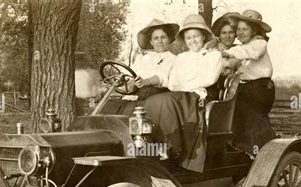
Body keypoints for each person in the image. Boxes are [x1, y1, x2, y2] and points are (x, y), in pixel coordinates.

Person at [141, 14, 223, 172]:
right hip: (181, 94)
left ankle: (173, 149)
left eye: (196, 36)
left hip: (200, 95)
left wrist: (185, 83)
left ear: (204, 36)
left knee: (166, 101)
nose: (192, 41)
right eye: (188, 38)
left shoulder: (214, 55)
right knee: (154, 101)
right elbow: (172, 83)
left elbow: (209, 78)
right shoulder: (181, 57)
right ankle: (155, 147)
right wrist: (187, 83)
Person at [222, 9, 276, 155]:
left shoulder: (259, 43)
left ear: (254, 31)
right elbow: (230, 63)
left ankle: (263, 152)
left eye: (244, 29)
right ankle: (242, 149)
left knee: (253, 117)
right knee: (235, 114)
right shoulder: (242, 48)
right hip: (246, 88)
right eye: (238, 29)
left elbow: (251, 52)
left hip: (261, 88)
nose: (240, 32)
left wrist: (228, 52)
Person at [100, 19, 178, 115]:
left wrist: (146, 81)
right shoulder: (143, 58)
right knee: (107, 107)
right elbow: (129, 76)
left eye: (163, 37)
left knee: (131, 111)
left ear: (169, 39)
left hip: (157, 95)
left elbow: (162, 76)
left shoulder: (173, 59)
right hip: (136, 94)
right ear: (151, 42)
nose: (160, 41)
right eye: (156, 38)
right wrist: (118, 82)